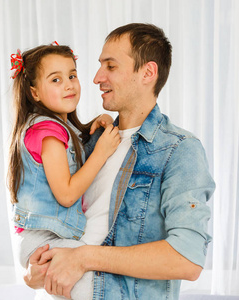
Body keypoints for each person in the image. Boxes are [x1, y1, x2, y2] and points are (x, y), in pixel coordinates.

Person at [24, 23, 216, 300]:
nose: (96, 77)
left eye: (110, 66)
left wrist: (83, 258)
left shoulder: (179, 150)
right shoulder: (88, 142)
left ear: (148, 73)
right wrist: (34, 274)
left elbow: (186, 258)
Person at [7, 42, 121, 299]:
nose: (69, 84)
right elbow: (66, 194)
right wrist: (101, 152)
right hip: (44, 239)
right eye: (56, 79)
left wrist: (94, 125)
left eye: (72, 75)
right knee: (95, 281)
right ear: (34, 93)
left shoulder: (55, 128)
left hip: (47, 236)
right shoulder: (48, 133)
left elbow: (69, 154)